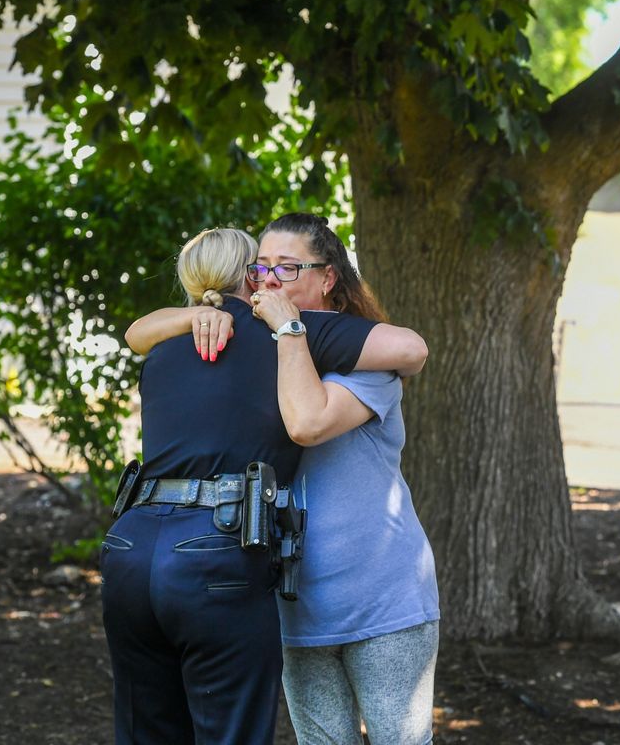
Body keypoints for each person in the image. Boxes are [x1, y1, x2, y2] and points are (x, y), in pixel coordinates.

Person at [105, 227, 427, 745]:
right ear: (247, 276)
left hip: (129, 545)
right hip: (215, 549)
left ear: (328, 278)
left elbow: (134, 332)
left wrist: (202, 317)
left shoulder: (165, 349)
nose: (271, 279)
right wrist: (286, 328)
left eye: (285, 267)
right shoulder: (288, 332)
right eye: (263, 267)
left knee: (147, 730)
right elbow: (317, 413)